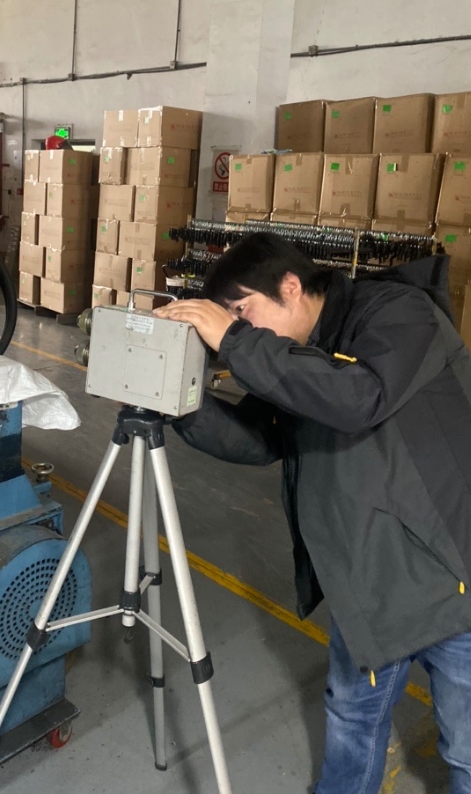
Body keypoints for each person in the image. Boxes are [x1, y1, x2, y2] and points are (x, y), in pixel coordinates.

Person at [153, 232, 471, 794]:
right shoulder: (291, 354)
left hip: (448, 575)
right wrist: (178, 402)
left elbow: (359, 398)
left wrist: (235, 339)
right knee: (352, 720)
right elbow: (260, 439)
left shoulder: (400, 313)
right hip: (364, 576)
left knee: (466, 744)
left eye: (241, 310)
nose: (234, 327)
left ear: (290, 286)